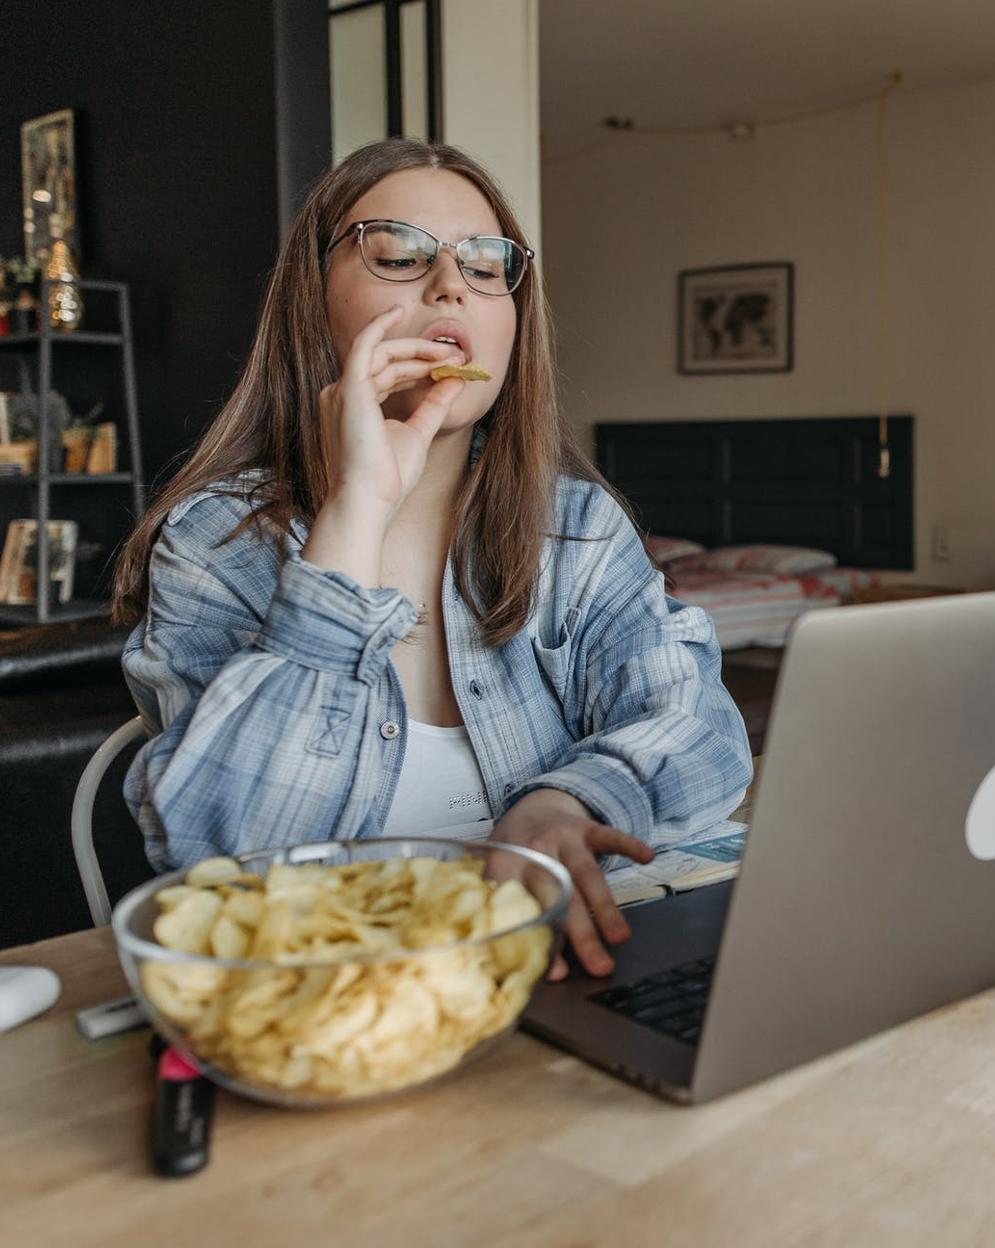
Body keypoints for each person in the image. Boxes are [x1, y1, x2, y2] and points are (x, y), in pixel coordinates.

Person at [112, 138, 752, 980]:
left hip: (565, 978)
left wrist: (563, 800)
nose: (452, 283)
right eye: (399, 252)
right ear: (315, 302)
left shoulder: (577, 531)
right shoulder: (214, 546)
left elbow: (702, 729)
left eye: (488, 265)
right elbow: (233, 858)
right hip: (336, 1008)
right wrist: (357, 511)